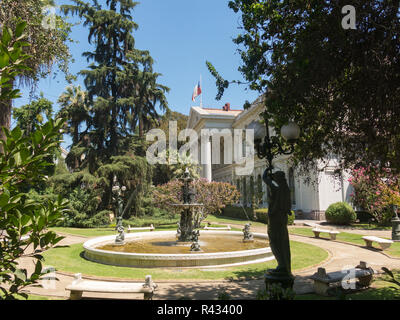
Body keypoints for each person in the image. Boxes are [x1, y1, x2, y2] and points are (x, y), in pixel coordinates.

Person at [263, 170, 292, 276]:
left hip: (275, 218)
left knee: (274, 241)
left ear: (277, 178)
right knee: (282, 241)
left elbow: (265, 178)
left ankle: (281, 265)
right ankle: (284, 264)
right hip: (282, 218)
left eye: (275, 177)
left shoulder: (277, 189)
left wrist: (268, 170)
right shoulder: (286, 189)